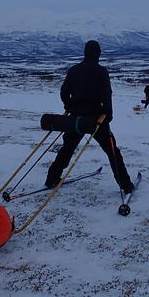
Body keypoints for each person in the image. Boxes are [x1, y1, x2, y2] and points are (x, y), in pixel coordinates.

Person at [45, 40, 135, 194]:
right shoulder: (101, 71)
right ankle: (126, 185)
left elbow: (64, 92)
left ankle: (52, 178)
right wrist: (108, 115)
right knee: (112, 151)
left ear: (85, 53)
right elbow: (107, 96)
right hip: (96, 120)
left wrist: (69, 106)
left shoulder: (73, 70)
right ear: (98, 53)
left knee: (67, 149)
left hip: (76, 119)